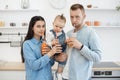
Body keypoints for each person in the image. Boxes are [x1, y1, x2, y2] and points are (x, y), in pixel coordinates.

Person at [62, 4, 102, 80]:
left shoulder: (91, 33)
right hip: (65, 77)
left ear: (84, 16)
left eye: (77, 17)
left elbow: (98, 57)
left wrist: (81, 47)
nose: (74, 20)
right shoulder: (68, 33)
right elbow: (67, 56)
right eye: (71, 17)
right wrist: (59, 57)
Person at [21, 16, 62, 80]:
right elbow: (34, 65)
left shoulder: (46, 42)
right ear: (32, 28)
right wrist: (50, 53)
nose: (42, 29)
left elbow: (51, 63)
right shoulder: (27, 44)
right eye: (38, 26)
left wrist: (51, 53)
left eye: (43, 26)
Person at [46, 14, 67, 80]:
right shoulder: (50, 33)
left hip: (61, 52)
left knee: (63, 61)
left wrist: (67, 41)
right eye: (56, 26)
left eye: (61, 28)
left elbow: (66, 42)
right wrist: (52, 43)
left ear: (63, 27)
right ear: (53, 24)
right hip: (53, 52)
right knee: (49, 61)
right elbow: (47, 43)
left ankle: (59, 73)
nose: (58, 28)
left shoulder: (64, 34)